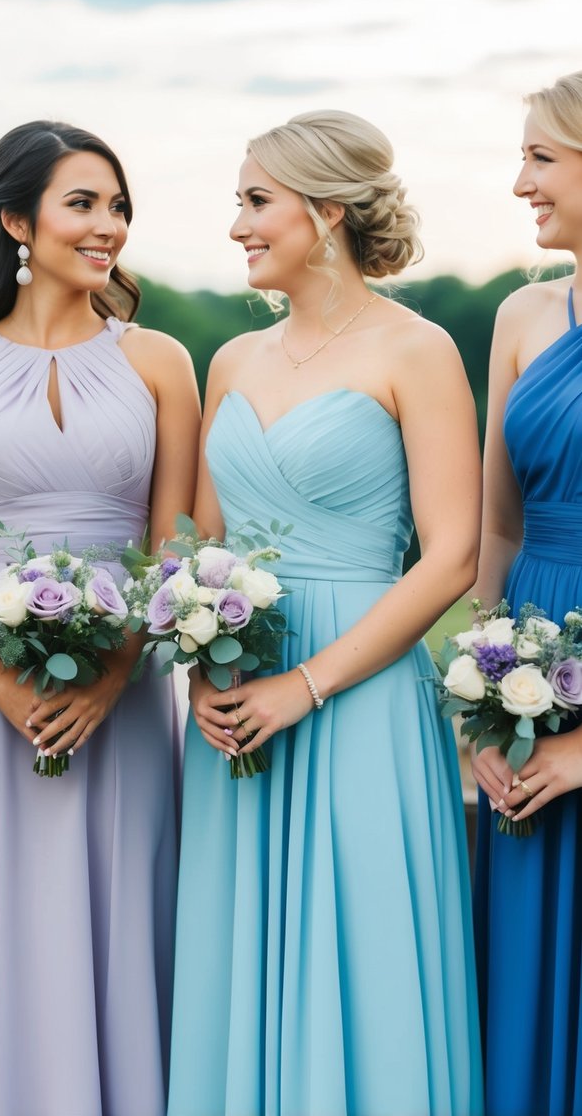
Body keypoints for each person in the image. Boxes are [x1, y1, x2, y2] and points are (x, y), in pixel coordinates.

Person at [167, 109, 484, 1116]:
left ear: (328, 212)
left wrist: (305, 683)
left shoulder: (417, 349)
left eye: (255, 203)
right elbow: (200, 552)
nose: (238, 228)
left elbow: (451, 557)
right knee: (239, 952)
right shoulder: (232, 362)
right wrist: (203, 670)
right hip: (235, 707)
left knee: (365, 948)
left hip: (358, 698)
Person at [0, 120, 200, 1116]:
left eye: (116, 206)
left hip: (128, 684)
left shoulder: (160, 362)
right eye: (83, 203)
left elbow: (176, 547)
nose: (106, 224)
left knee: (121, 914)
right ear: (17, 219)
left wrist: (115, 672)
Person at [471, 71, 582, 1116]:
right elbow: (497, 527)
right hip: (529, 682)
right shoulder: (521, 312)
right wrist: (480, 696)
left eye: (541, 157)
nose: (519, 184)